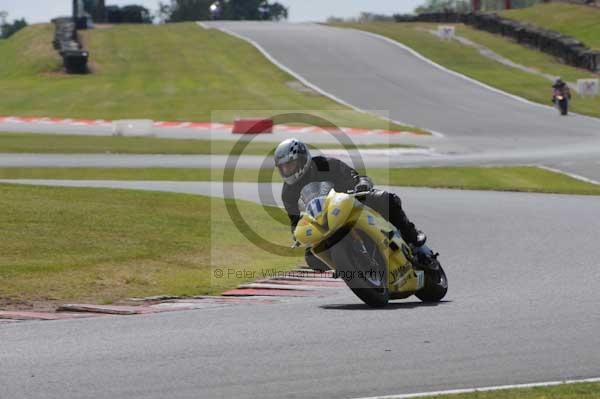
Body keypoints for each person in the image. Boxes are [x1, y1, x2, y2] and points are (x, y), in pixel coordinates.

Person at [274, 138, 430, 271]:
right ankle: (348, 269)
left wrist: (359, 184)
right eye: (283, 167)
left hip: (349, 202)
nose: (287, 170)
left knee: (386, 199)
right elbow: (295, 220)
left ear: (303, 159)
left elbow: (352, 176)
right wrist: (297, 232)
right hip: (323, 220)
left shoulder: (325, 164)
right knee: (311, 257)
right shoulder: (288, 192)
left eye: (290, 165)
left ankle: (412, 236)